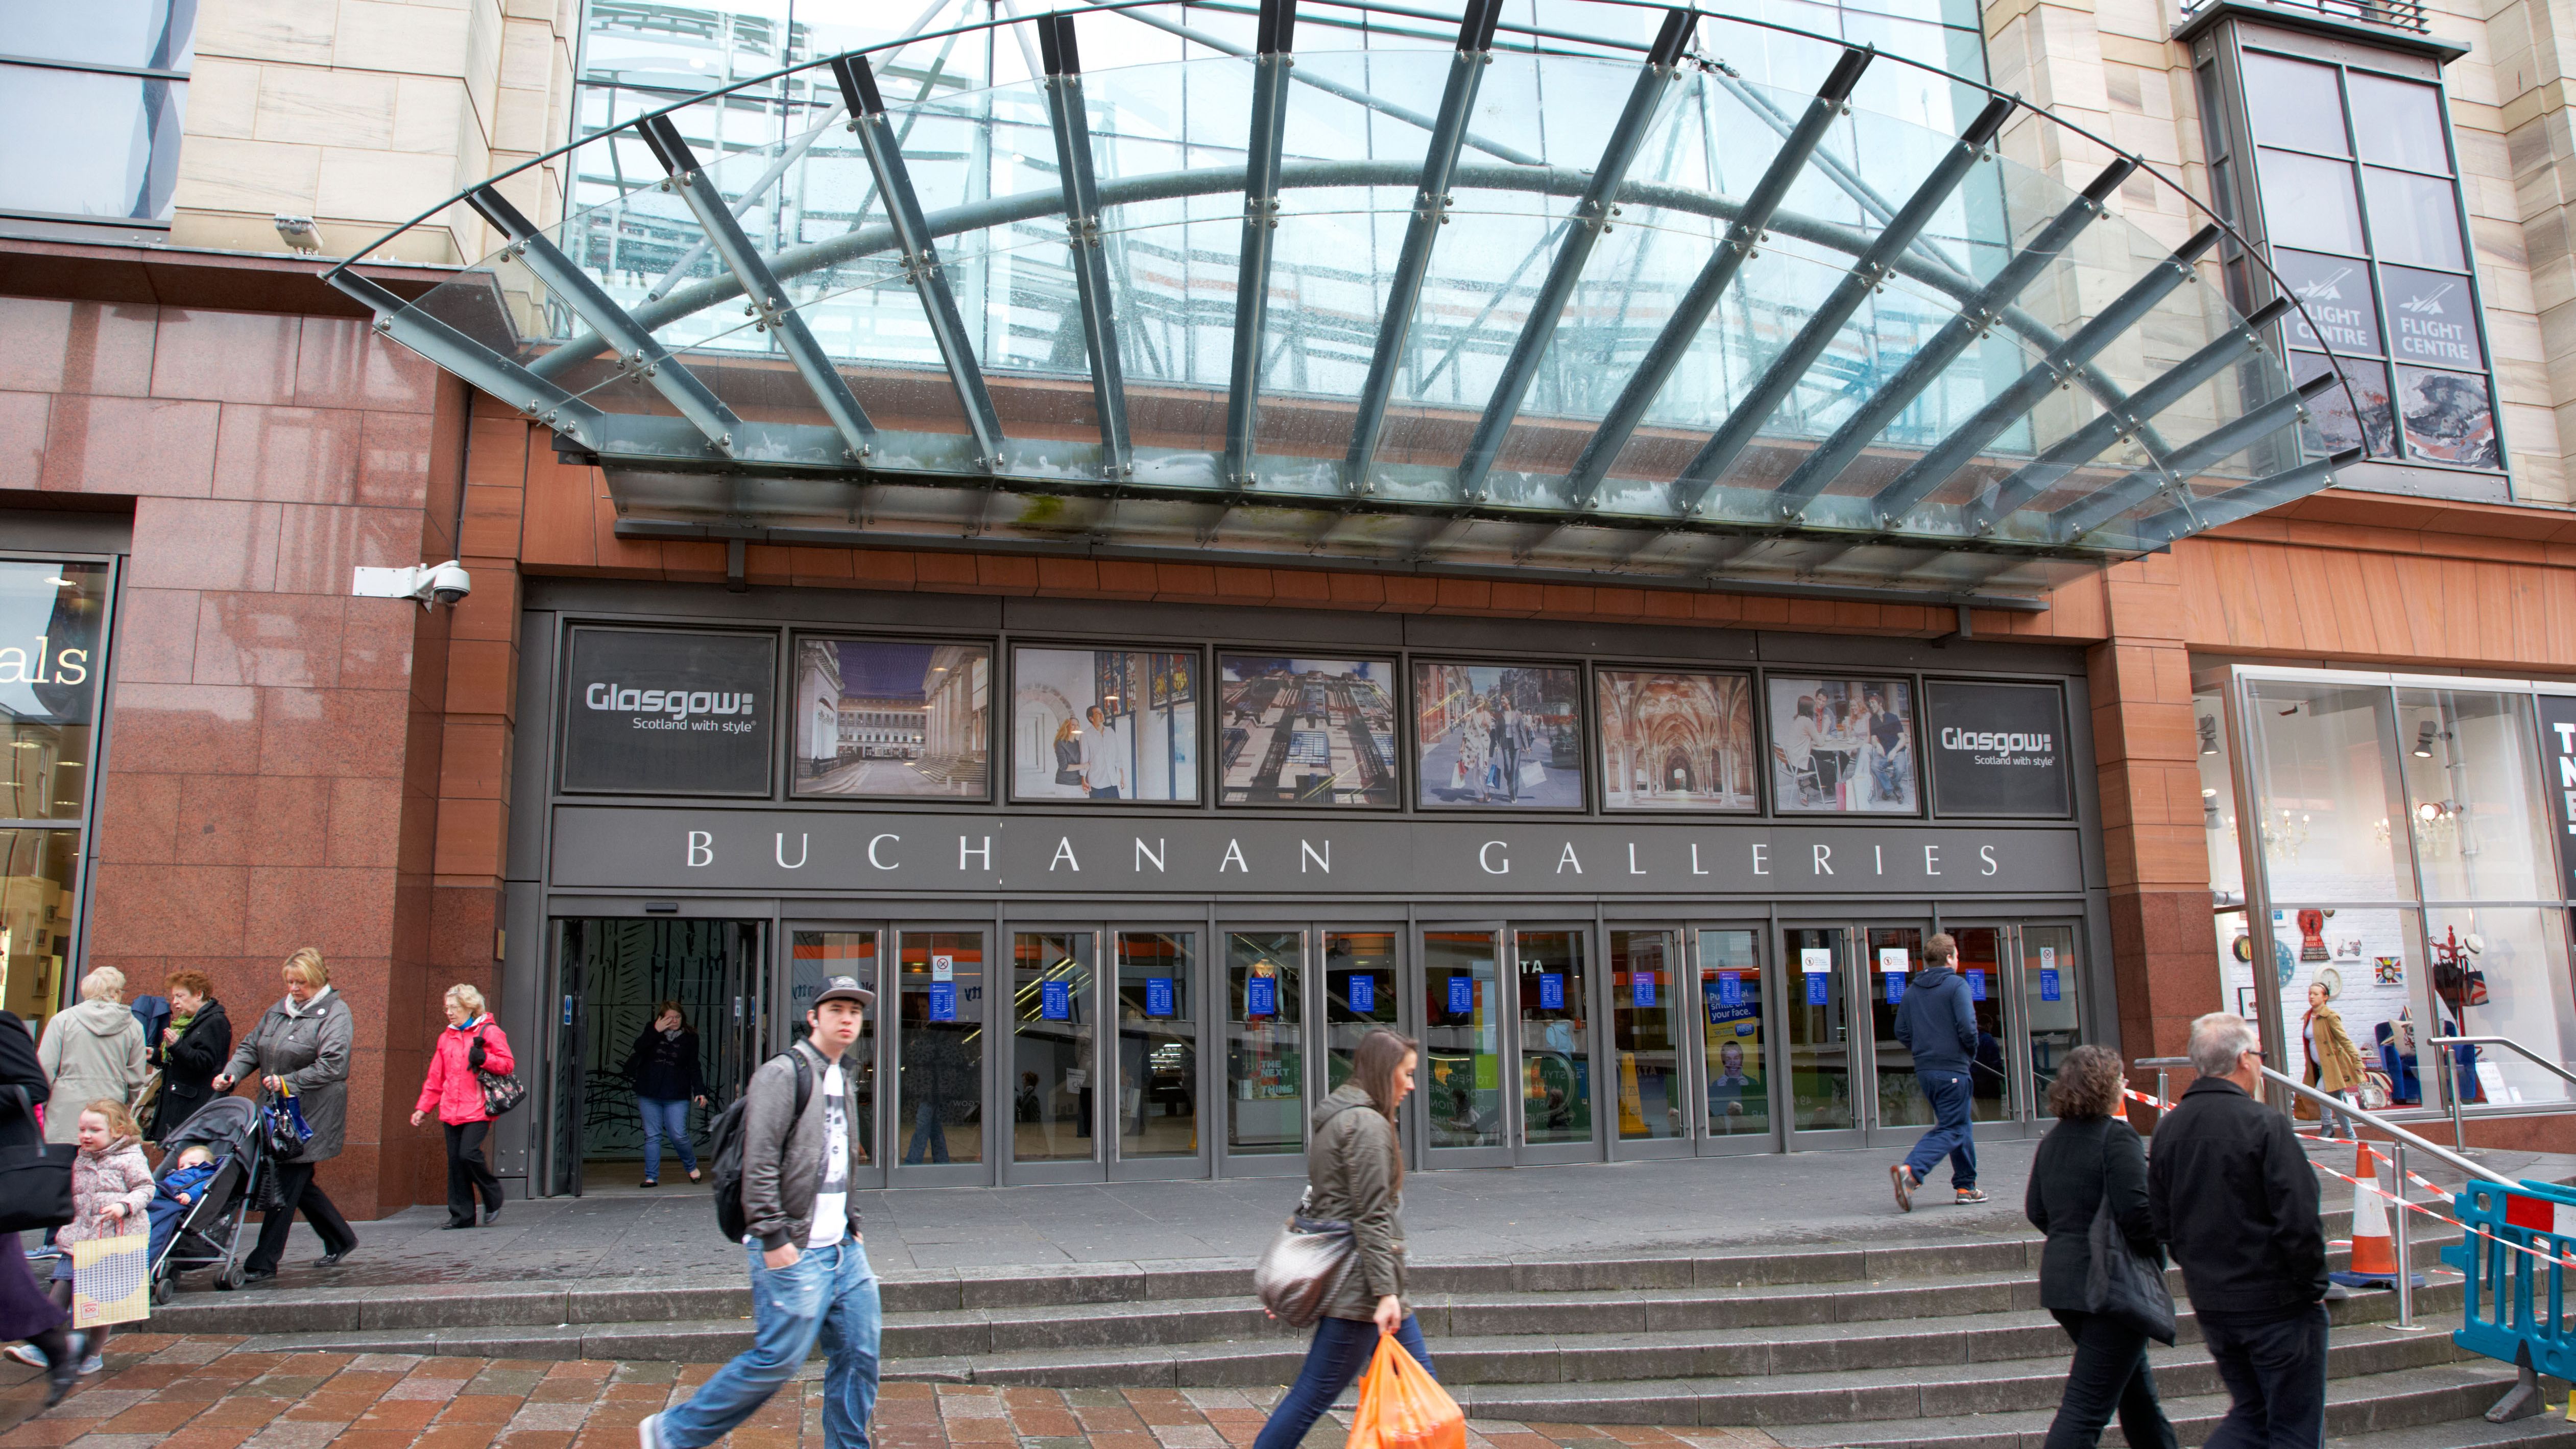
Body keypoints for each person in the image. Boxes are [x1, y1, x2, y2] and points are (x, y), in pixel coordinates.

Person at [638, 976, 879, 1449]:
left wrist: (852, 1222)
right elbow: (760, 1160)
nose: (847, 1019)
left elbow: (837, 1159)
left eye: (855, 1011)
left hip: (844, 1249)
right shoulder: (782, 1074)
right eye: (836, 1010)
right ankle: (671, 1433)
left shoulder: (843, 1076)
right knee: (776, 1361)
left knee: (860, 1356)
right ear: (813, 1018)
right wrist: (772, 1235)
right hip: (793, 1246)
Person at [1250, 1028, 1437, 1449]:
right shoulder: (1366, 1125)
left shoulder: (1339, 1117)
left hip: (1368, 1283)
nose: (1411, 1085)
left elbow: (1320, 1206)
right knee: (1312, 1396)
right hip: (1364, 1290)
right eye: (1407, 1074)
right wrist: (1385, 1293)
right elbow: (1370, 1216)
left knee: (1425, 1392)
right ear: (1385, 1071)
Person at [2148, 1012, 2327, 1449]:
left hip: (2213, 1300)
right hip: (2276, 1303)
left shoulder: (2168, 1128)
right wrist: (2312, 1285)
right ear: (2245, 1059)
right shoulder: (2263, 1124)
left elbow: (2162, 1221)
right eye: (2259, 1054)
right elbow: (2299, 1218)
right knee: (2291, 1427)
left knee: (2253, 1414)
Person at [2025, 1046, 2177, 1449]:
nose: (2125, 1084)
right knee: (2084, 1411)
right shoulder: (2117, 1137)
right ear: (2107, 1086)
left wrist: (2072, 1238)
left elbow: (2036, 1210)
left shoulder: (2053, 1140)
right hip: (2110, 1289)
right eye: (2120, 1078)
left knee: (2138, 1399)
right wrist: (2162, 1242)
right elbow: (2138, 1217)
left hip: (2064, 1285)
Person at [212, 947, 358, 1284]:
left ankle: (264, 1261)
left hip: (310, 1115)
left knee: (286, 1182)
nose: (294, 989)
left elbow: (334, 1064)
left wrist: (288, 1081)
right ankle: (340, 1238)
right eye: (290, 982)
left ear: (318, 980)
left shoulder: (335, 1013)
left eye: (301, 983)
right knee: (298, 1183)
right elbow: (252, 1047)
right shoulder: (279, 1010)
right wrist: (232, 1073)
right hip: (277, 1113)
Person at [0, 1007, 83, 1405]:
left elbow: (34, 1087)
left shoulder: (2, 1025)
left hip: (4, 1171)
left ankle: (57, 1346)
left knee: (6, 1277)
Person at [43, 1102, 152, 1374]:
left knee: (104, 1300)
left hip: (110, 1240)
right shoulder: (82, 1158)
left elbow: (146, 1188)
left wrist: (124, 1206)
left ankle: (93, 1354)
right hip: (78, 1237)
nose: (85, 1135)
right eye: (82, 1129)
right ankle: (45, 1342)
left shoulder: (130, 1157)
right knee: (61, 1285)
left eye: (94, 1130)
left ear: (117, 1130)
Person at [1890, 933, 1984, 1210]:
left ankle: (1966, 1186)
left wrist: (1924, 1049)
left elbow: (1901, 1031)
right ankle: (1912, 1172)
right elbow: (1968, 1028)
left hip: (1926, 1071)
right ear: (1950, 958)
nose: (1958, 960)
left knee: (1959, 1124)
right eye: (1957, 956)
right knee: (1953, 1127)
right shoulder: (1957, 985)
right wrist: (1968, 1053)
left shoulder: (1912, 991)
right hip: (1953, 1069)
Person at [412, 984, 513, 1228]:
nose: (449, 1012)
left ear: (470, 1008)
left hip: (478, 1108)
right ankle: (462, 1216)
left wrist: (485, 1059)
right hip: (451, 1109)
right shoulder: (446, 1037)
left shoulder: (489, 1032)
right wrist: (423, 1108)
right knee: (456, 1163)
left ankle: (492, 1193)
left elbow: (507, 1064)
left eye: (454, 1008)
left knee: (468, 1154)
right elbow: (436, 1077)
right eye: (447, 1008)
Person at [35, 968, 149, 1147]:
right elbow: (136, 1079)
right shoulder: (133, 1026)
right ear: (116, 993)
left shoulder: (63, 1020)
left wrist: (40, 1105)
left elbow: (45, 1069)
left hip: (64, 1111)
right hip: (110, 1112)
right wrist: (127, 1109)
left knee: (64, 1162)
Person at [623, 1002, 708, 1187]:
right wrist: (656, 1030)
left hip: (676, 1093)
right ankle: (651, 1177)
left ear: (683, 1018)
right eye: (670, 1018)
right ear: (661, 1018)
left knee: (678, 1134)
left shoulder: (690, 1037)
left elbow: (694, 1066)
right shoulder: (652, 1029)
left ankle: (691, 1167)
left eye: (678, 1017)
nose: (674, 1021)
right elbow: (639, 1047)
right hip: (649, 1091)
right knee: (652, 1135)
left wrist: (700, 1091)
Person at [146, 971, 230, 1142]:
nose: (175, 1002)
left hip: (194, 1112)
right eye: (174, 997)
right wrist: (156, 1056)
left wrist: (177, 1045)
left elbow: (205, 1063)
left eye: (180, 996)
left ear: (199, 994)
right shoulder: (187, 1022)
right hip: (177, 1109)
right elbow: (179, 1061)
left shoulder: (215, 1021)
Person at [2301, 981, 2365, 1141]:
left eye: (2316, 994)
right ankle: (2351, 1136)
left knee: (2320, 1092)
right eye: (2310, 994)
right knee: (2337, 1102)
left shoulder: (2330, 1016)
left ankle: (2327, 1126)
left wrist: (2357, 1061)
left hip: (2334, 1067)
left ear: (2325, 997)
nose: (2312, 997)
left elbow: (2345, 1040)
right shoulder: (2309, 1017)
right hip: (2319, 1067)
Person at [149, 1144, 221, 1265]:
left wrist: (189, 1194)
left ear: (207, 1164)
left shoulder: (205, 1174)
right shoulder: (174, 1174)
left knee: (160, 1220)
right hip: (163, 1195)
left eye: (192, 1164)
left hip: (178, 1201)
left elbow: (201, 1187)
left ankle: (148, 1258)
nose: (185, 1168)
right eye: (181, 1166)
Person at [1080, 704, 1127, 800]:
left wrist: (1122, 777)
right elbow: (1084, 759)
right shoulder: (1085, 735)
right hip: (1096, 783)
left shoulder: (1111, 732)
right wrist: (1083, 780)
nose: (1102, 715)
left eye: (1101, 712)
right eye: (1098, 713)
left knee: (1115, 808)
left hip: (1112, 781)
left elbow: (1117, 756)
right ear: (1091, 718)